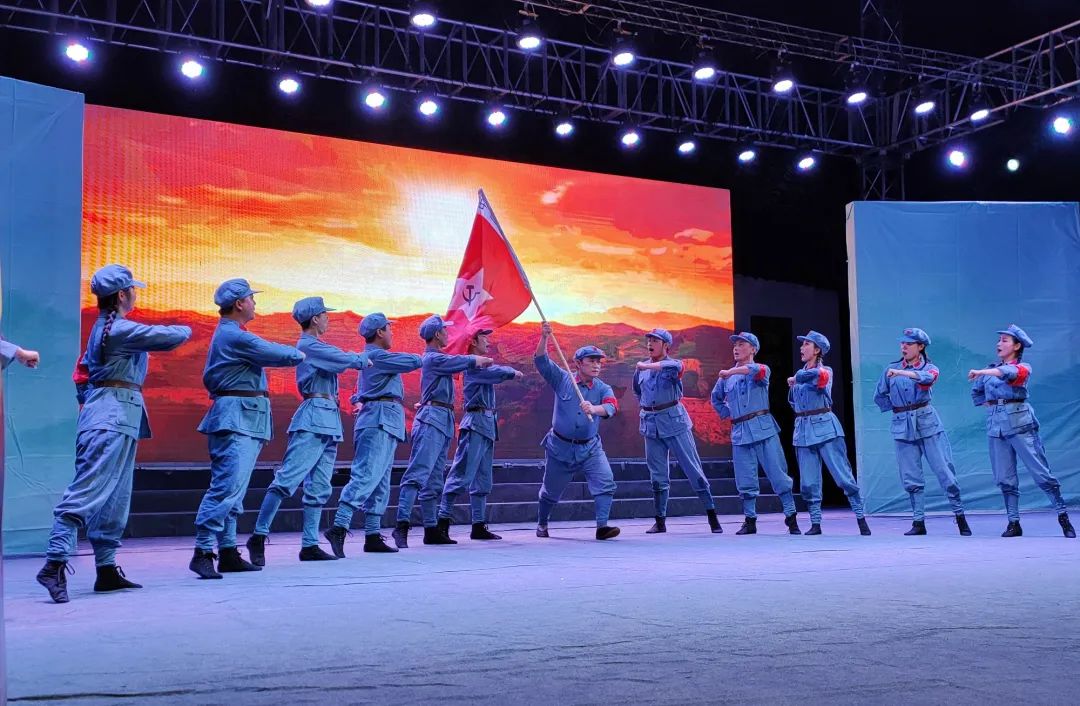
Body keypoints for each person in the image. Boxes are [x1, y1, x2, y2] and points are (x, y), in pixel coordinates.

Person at [36, 265, 191, 603]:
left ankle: (106, 569)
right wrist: (188, 326)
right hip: (110, 417)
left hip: (116, 416)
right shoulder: (118, 329)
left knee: (115, 498)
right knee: (88, 492)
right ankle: (54, 562)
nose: (135, 295)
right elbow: (172, 337)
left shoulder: (107, 328)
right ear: (122, 295)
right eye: (132, 290)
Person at [189, 279, 304, 579]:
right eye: (251, 298)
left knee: (235, 489)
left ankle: (227, 550)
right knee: (226, 487)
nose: (255, 303)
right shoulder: (234, 335)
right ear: (239, 303)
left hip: (245, 417)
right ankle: (203, 550)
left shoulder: (233, 333)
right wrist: (302, 353)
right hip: (236, 418)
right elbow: (278, 354)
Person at [245, 297, 372, 566]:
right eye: (325, 315)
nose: (328, 319)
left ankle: (310, 543)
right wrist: (362, 358)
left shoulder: (317, 346)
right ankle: (258, 535)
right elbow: (343, 360)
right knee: (287, 479)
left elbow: (338, 361)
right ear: (315, 318)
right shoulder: (309, 346)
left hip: (328, 419)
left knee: (319, 487)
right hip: (313, 417)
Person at [324, 313, 423, 556]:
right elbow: (412, 362)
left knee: (380, 481)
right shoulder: (378, 356)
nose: (392, 332)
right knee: (366, 475)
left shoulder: (372, 357)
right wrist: (427, 357)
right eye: (389, 328)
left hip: (384, 420)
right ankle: (339, 526)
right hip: (378, 421)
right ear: (379, 332)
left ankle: (372, 534)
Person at [392, 315, 493, 548]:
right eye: (444, 331)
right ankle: (402, 524)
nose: (448, 334)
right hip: (431, 421)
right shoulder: (434, 358)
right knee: (418, 474)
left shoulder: (438, 358)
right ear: (437, 335)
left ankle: (431, 529)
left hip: (442, 419)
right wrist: (477, 359)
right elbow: (459, 362)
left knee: (434, 479)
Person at [969, 324, 1075, 538]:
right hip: (996, 426)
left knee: (1040, 472)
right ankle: (1013, 522)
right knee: (1004, 477)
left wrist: (982, 372)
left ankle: (1062, 515)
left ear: (1017, 346)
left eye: (1005, 340)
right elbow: (977, 391)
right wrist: (989, 403)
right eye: (999, 340)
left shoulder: (1022, 367)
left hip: (1019, 423)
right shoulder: (989, 370)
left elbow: (1008, 373)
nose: (999, 344)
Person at [874, 328, 970, 536]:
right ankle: (918, 522)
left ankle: (960, 516)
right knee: (910, 476)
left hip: (927, 423)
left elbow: (927, 379)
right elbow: (879, 395)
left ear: (920, 347)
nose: (904, 347)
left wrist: (902, 373)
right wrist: (899, 409)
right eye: (902, 343)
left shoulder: (930, 368)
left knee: (944, 471)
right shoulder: (890, 368)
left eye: (909, 344)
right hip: (902, 426)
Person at [534, 322, 620, 540]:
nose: (596, 365)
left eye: (599, 361)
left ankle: (602, 527)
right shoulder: (563, 379)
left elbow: (611, 407)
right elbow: (541, 361)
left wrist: (594, 408)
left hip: (590, 448)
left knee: (605, 482)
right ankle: (542, 523)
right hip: (560, 448)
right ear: (578, 363)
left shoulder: (603, 388)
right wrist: (544, 337)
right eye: (591, 361)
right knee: (550, 492)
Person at [436, 328, 523, 541]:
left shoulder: (480, 367)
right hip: (475, 424)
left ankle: (478, 525)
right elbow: (496, 373)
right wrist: (512, 372)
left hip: (487, 424)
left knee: (482, 479)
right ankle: (442, 522)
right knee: (461, 474)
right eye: (484, 338)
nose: (488, 341)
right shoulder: (473, 368)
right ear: (473, 342)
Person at [634, 328, 722, 534]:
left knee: (693, 469)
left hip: (674, 423)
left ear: (666, 345)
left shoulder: (672, 365)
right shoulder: (641, 369)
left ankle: (712, 515)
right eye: (649, 340)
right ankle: (660, 520)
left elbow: (677, 366)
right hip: (651, 424)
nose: (650, 344)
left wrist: (647, 366)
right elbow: (637, 391)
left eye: (655, 341)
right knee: (657, 475)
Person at [712, 331, 801, 535]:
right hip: (740, 431)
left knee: (778, 474)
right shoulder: (726, 378)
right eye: (735, 345)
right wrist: (728, 413)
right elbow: (716, 398)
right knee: (745, 478)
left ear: (753, 349)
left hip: (763, 429)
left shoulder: (761, 369)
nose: (736, 348)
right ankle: (750, 520)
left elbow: (755, 370)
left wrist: (731, 372)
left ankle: (791, 516)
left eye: (742, 344)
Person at [787, 330, 871, 536]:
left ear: (817, 350)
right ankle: (815, 523)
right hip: (803, 431)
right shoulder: (800, 374)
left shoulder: (826, 372)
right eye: (802, 344)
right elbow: (793, 401)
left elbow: (818, 377)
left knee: (843, 476)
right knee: (808, 483)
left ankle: (860, 518)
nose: (802, 348)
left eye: (806, 344)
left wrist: (797, 378)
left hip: (825, 428)